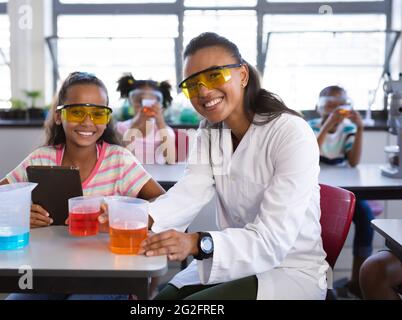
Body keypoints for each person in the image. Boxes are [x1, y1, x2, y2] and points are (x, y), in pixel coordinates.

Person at [115, 32, 329, 300]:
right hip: (234, 262)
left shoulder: (290, 133)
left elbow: (272, 241)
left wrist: (196, 242)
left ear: (242, 75)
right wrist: (123, 220)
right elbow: (189, 191)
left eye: (215, 75)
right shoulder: (210, 131)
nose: (203, 91)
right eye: (192, 84)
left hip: (288, 270)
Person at [0, 71, 165, 299]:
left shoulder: (120, 161)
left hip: (110, 277)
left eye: (97, 113)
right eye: (77, 112)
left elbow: (163, 202)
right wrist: (18, 213)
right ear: (59, 116)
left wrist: (120, 213)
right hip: (49, 273)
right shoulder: (40, 160)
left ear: (106, 118)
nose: (87, 121)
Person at [308, 86, 374, 298]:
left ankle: (357, 281)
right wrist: (327, 125)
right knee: (320, 227)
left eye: (340, 105)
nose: (335, 110)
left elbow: (353, 162)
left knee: (365, 216)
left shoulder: (348, 129)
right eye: (329, 105)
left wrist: (360, 129)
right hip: (316, 189)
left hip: (345, 190)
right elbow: (310, 156)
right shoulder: (310, 127)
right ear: (319, 108)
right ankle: (320, 283)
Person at [116, 74, 176, 164]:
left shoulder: (165, 131)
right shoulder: (121, 128)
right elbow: (122, 158)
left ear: (160, 104)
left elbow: (171, 160)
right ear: (131, 102)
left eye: (151, 103)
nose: (145, 107)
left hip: (158, 177)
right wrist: (135, 125)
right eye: (140, 101)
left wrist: (160, 123)